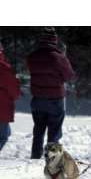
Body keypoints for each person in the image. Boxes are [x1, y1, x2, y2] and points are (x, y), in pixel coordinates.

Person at [27, 27, 75, 159]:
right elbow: (69, 75)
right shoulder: (59, 57)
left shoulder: (32, 57)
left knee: (38, 129)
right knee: (54, 131)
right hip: (55, 99)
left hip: (37, 99)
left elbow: (31, 71)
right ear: (55, 40)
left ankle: (35, 156)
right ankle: (52, 158)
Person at [0, 42, 21, 151]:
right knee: (3, 136)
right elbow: (14, 91)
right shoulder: (4, 68)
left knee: (7, 132)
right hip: (2, 109)